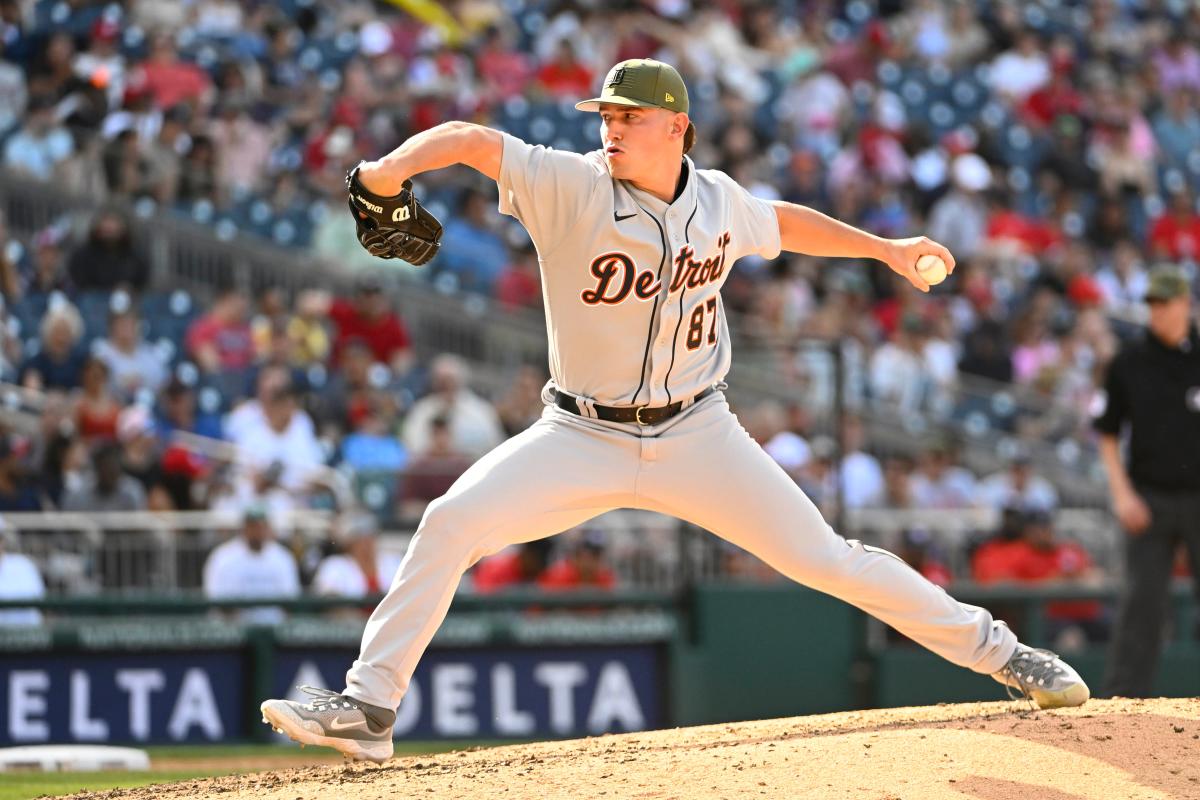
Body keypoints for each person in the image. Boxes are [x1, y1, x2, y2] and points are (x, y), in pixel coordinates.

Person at [261, 58, 1088, 763]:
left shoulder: (719, 201)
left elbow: (784, 224)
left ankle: (1008, 656)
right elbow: (472, 141)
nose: (610, 128)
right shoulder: (569, 183)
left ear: (677, 128)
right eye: (605, 115)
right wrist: (382, 173)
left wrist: (884, 249)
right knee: (448, 521)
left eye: (628, 116)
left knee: (831, 560)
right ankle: (369, 711)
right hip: (578, 431)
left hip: (699, 432)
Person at [1093, 265, 1200, 698]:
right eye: (1152, 303)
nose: (1157, 311)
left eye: (1165, 303)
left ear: (1185, 304)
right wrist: (1121, 494)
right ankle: (1122, 704)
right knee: (1142, 605)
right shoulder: (1129, 361)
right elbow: (1106, 432)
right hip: (1148, 498)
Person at [202, 504, 300, 625]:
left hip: (273, 632)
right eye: (253, 526)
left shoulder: (283, 557)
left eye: (262, 526)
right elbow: (215, 600)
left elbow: (290, 601)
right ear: (244, 528)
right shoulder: (222, 557)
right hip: (233, 632)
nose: (258, 531)